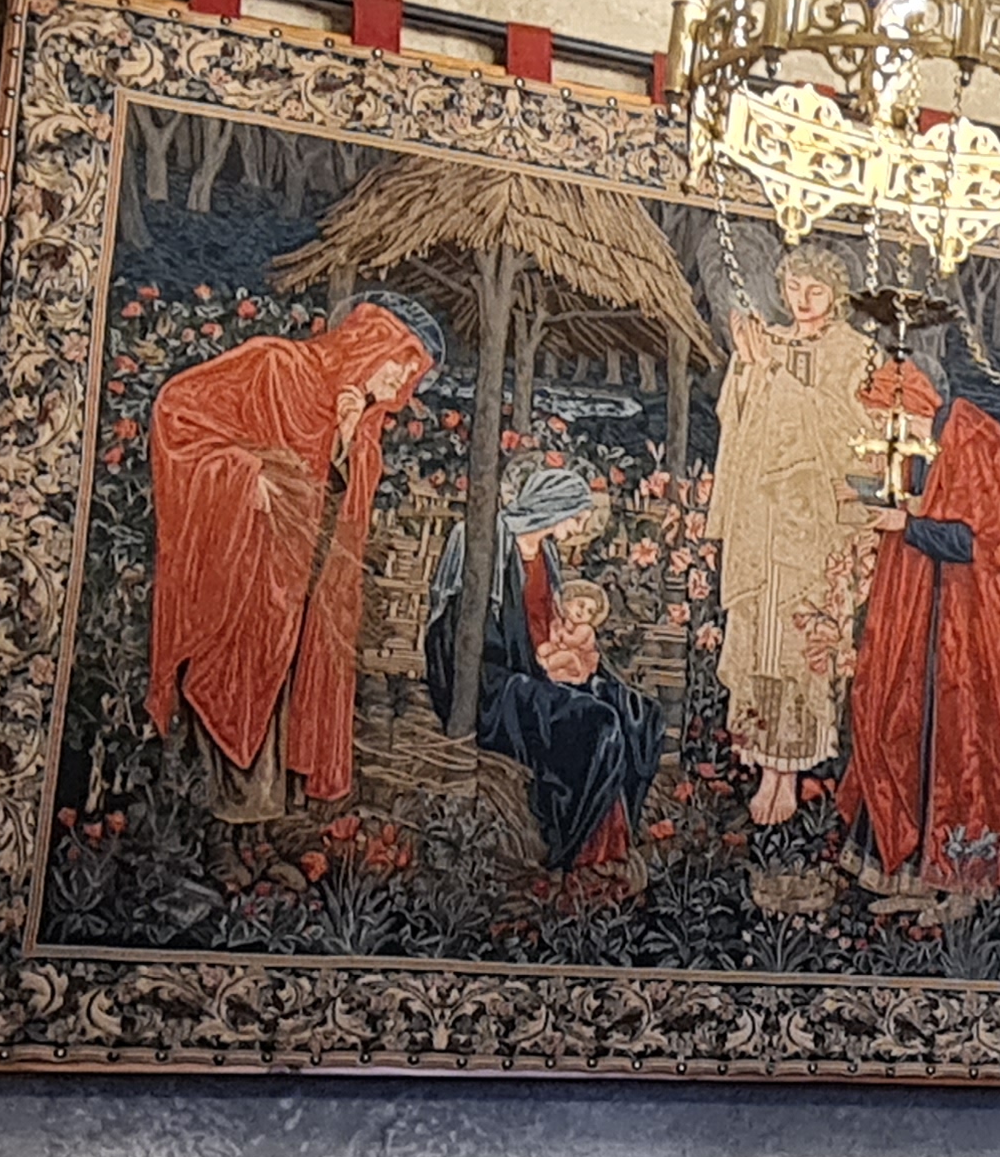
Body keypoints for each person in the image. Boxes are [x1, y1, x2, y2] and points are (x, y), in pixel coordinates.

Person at [146, 292, 441, 822]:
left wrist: (346, 440)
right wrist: (242, 476)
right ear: (370, 343)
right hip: (245, 568)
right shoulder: (276, 366)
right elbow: (176, 412)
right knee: (233, 684)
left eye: (413, 372)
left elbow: (337, 508)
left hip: (302, 586)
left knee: (279, 695)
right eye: (403, 362)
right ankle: (220, 828)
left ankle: (261, 826)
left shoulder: (363, 426)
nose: (405, 382)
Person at [837, 344, 1000, 919]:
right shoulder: (921, 446)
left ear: (913, 404)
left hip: (966, 629)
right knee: (904, 724)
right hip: (924, 615)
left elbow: (992, 542)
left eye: (885, 415)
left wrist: (908, 525)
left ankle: (962, 884)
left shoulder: (973, 438)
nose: (882, 429)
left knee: (959, 746)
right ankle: (911, 873)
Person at [708, 247, 882, 828]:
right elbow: (736, 419)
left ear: (836, 295)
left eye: (815, 290)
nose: (802, 301)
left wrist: (778, 376)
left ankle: (790, 770)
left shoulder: (853, 352)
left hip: (812, 518)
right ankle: (765, 764)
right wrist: (748, 368)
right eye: (794, 288)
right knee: (760, 633)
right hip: (763, 512)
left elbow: (852, 428)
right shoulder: (772, 339)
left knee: (798, 637)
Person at [426, 467, 662, 869]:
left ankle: (617, 840)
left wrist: (569, 660)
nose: (581, 526)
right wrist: (544, 665)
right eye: (578, 516)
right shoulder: (485, 543)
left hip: (540, 669)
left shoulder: (546, 554)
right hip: (494, 684)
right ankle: (575, 849)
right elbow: (462, 639)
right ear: (554, 507)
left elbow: (548, 622)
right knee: (598, 722)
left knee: (640, 712)